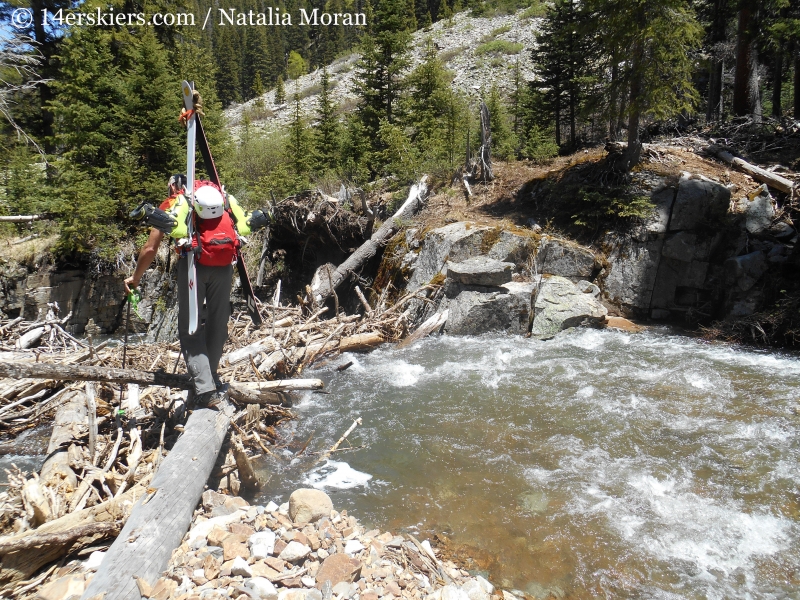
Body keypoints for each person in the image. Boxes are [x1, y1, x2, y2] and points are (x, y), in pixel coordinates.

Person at [124, 174, 270, 408]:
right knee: (217, 321)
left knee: (190, 326)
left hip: (194, 266)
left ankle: (204, 389)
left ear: (173, 186)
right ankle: (209, 378)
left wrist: (136, 277)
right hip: (224, 266)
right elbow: (243, 223)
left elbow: (151, 247)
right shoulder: (222, 197)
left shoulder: (176, 202)